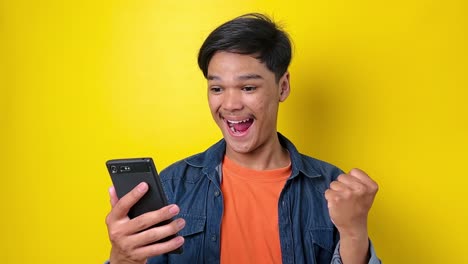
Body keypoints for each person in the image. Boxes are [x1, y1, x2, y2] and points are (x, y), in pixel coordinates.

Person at [105, 13, 380, 264]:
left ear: (282, 87)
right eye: (217, 88)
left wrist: (354, 233)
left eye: (248, 87)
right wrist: (121, 259)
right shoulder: (173, 186)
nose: (230, 104)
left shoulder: (333, 189)